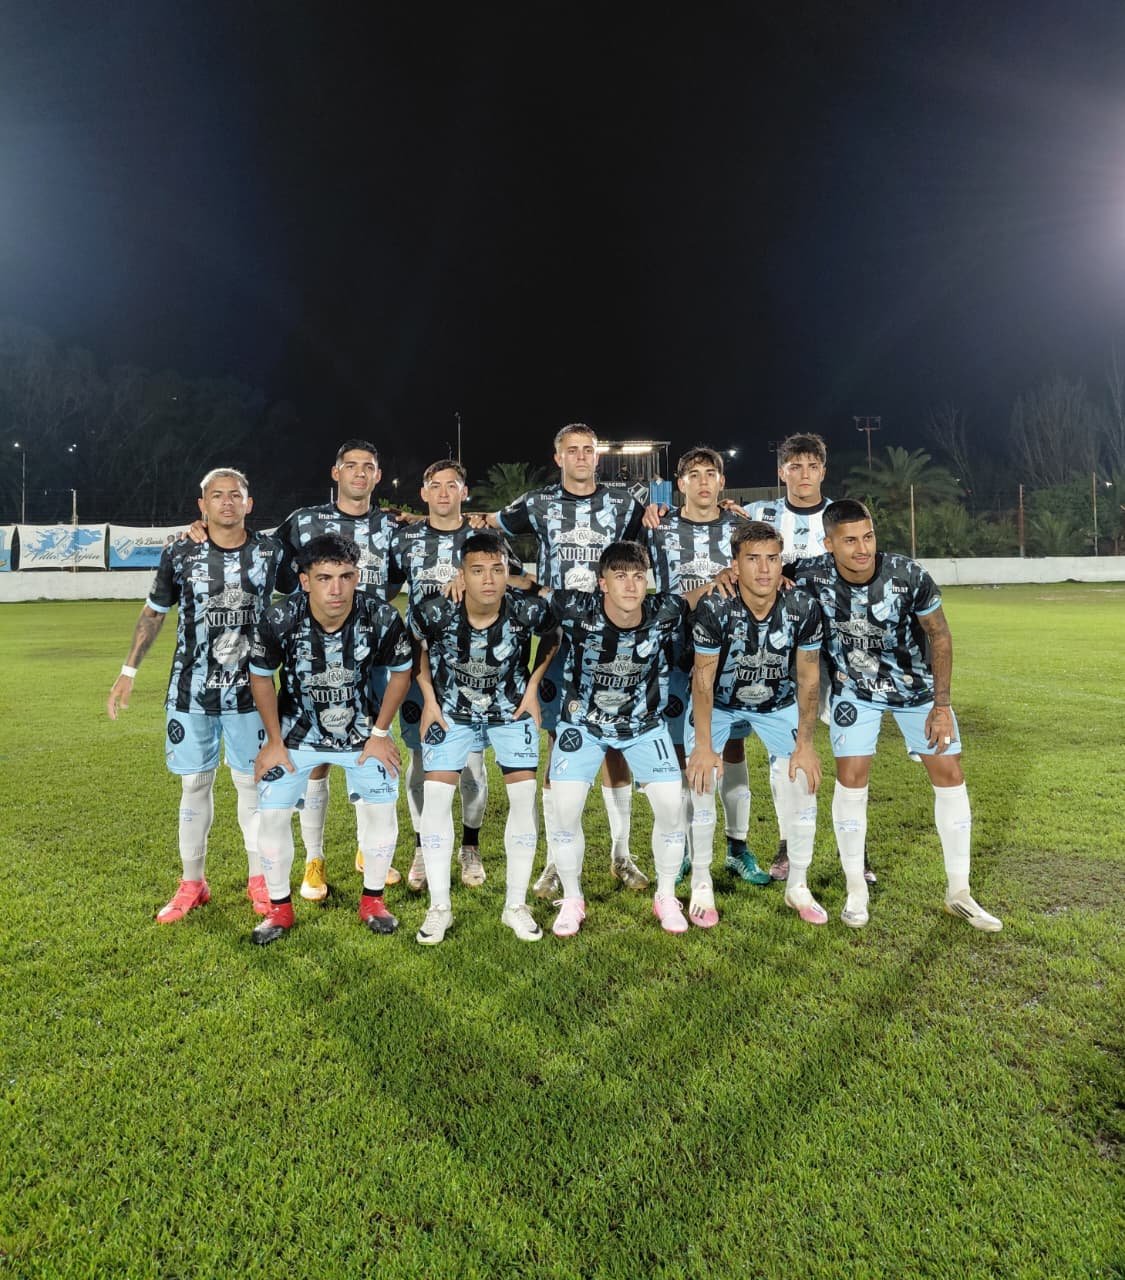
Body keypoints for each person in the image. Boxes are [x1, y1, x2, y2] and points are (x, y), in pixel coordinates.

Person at [791, 499, 1002, 931]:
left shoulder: (908, 575)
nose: (862, 548)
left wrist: (942, 706)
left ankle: (959, 892)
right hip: (855, 691)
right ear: (829, 544)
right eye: (850, 540)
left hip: (917, 690)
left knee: (950, 773)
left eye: (868, 537)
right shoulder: (810, 574)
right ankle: (856, 890)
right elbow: (764, 570)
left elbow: (940, 636)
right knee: (851, 778)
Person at [106, 468, 282, 923]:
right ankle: (192, 883)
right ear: (202, 505)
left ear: (249, 503)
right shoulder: (180, 551)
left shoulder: (271, 551)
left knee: (252, 785)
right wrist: (128, 671)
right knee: (194, 784)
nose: (227, 502)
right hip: (191, 691)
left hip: (251, 692)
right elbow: (154, 612)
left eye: (235, 495)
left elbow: (317, 578)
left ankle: (260, 881)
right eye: (216, 496)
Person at [482, 423, 649, 896]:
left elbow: (653, 534)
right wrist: (523, 580)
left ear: (597, 456)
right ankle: (556, 861)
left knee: (615, 743)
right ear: (558, 458)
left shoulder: (624, 504)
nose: (580, 457)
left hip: (615, 635)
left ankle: (622, 854)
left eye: (588, 450)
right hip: (560, 638)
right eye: (572, 450)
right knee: (561, 743)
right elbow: (491, 527)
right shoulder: (537, 503)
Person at [248, 533, 412, 945]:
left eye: (346, 576)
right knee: (271, 815)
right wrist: (273, 741)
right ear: (305, 581)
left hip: (362, 733)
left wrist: (380, 734)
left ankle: (373, 901)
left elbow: (402, 671)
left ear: (357, 577)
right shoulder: (280, 617)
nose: (336, 589)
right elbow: (261, 676)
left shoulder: (380, 615)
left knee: (381, 810)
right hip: (296, 735)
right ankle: (279, 909)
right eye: (324, 578)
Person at [271, 438, 407, 900]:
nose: (359, 473)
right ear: (336, 473)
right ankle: (314, 859)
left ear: (378, 476)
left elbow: (401, 576)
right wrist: (201, 529)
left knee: (371, 747)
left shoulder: (391, 526)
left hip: (371, 656)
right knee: (317, 760)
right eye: (351, 466)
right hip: (314, 656)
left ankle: (369, 851)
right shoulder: (304, 521)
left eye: (368, 466)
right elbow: (266, 559)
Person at [538, 541, 693, 937]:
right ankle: (572, 898)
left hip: (644, 725)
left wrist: (726, 577)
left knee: (672, 808)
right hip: (583, 724)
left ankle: (665, 895)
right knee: (565, 811)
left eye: (639, 577)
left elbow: (695, 597)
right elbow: (527, 590)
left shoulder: (664, 611)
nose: (631, 585)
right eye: (620, 577)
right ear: (602, 583)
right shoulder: (576, 608)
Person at [409, 533, 558, 943]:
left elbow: (553, 634)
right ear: (462, 574)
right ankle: (439, 908)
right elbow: (415, 644)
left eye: (497, 569)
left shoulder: (527, 609)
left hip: (510, 711)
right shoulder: (435, 610)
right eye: (477, 571)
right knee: (436, 798)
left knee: (524, 798)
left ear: (508, 572)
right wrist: (428, 699)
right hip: (452, 712)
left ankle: (515, 906)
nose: (488, 580)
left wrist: (533, 687)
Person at [684, 522, 825, 927]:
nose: (764, 569)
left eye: (772, 559)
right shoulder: (715, 606)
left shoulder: (802, 606)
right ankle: (700, 881)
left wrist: (806, 745)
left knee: (803, 777)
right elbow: (703, 681)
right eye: (753, 559)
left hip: (776, 703)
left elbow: (809, 678)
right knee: (702, 777)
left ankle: (798, 884)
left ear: (782, 563)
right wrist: (704, 746)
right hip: (722, 702)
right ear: (735, 565)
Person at [387, 459, 513, 894]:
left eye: (452, 485)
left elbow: (509, 586)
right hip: (420, 664)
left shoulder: (484, 539)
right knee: (422, 760)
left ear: (465, 492)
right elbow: (384, 589)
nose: (443, 493)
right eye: (435, 485)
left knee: (473, 765)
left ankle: (470, 846)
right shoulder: (404, 540)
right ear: (424, 493)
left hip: (475, 668)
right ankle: (422, 846)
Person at [646, 446, 764, 885]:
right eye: (693, 474)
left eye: (710, 473)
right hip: (674, 654)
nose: (702, 482)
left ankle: (737, 846)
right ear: (680, 484)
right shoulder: (657, 527)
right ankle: (681, 850)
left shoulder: (740, 527)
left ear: (722, 482)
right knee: (681, 750)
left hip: (732, 655)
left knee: (732, 749)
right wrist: (650, 510)